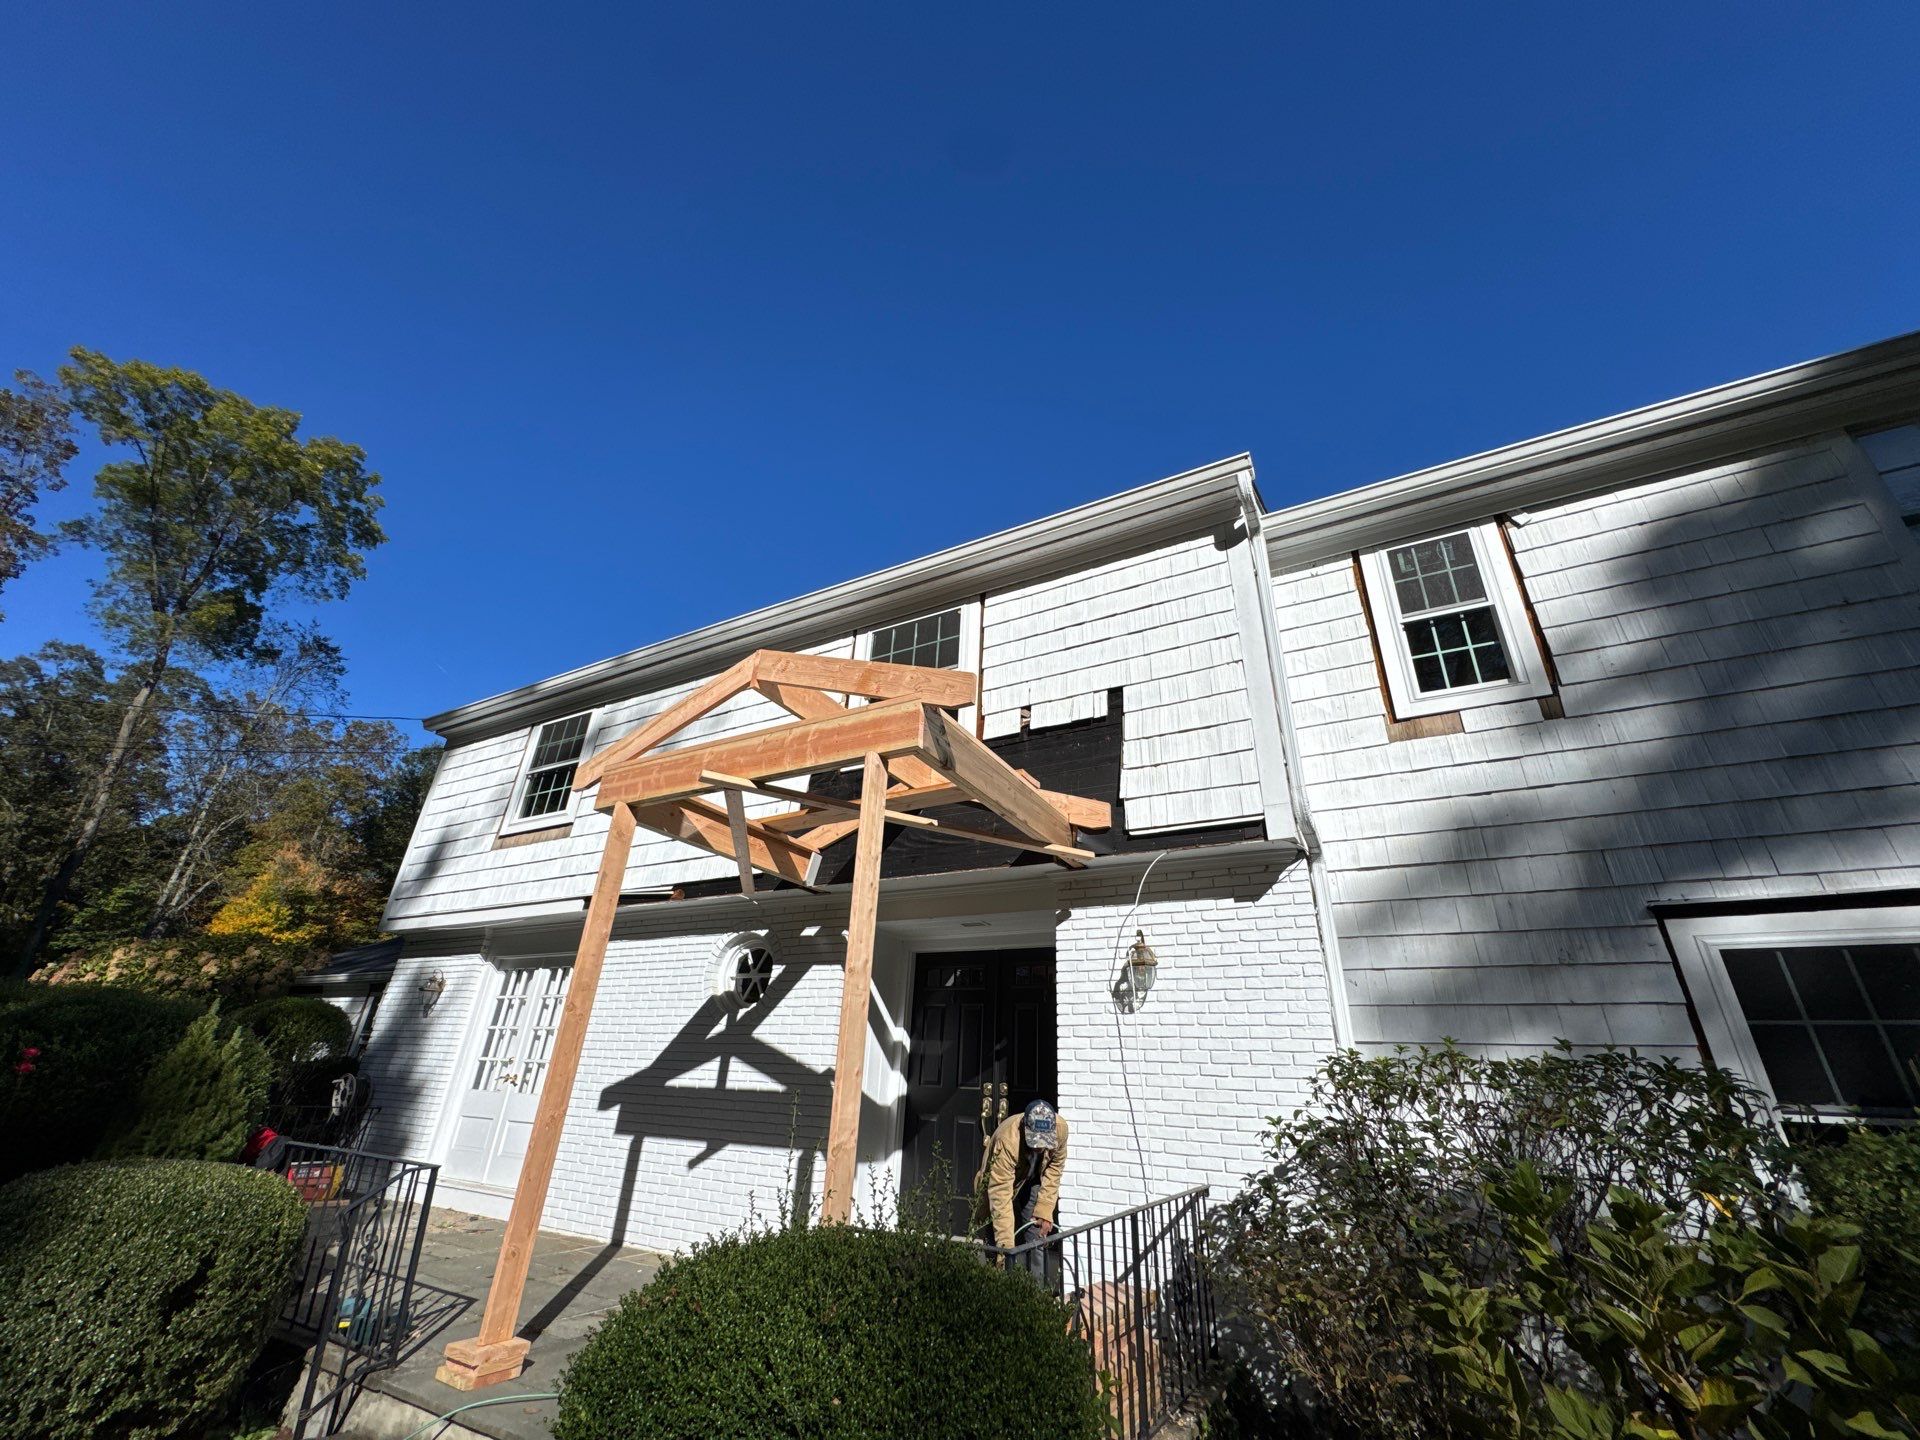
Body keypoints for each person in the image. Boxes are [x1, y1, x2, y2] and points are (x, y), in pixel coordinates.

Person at [973, 1099, 1069, 1286]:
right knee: (996, 1235)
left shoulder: (1060, 1129)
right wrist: (1006, 1252)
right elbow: (1000, 1197)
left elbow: (1055, 1169)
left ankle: (1035, 1293)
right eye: (1035, 1141)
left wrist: (1045, 1208)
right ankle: (1000, 1287)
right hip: (1001, 1183)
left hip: (1032, 1181)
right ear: (1024, 1127)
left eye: (1044, 1143)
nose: (1040, 1148)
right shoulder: (1007, 1139)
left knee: (1036, 1233)